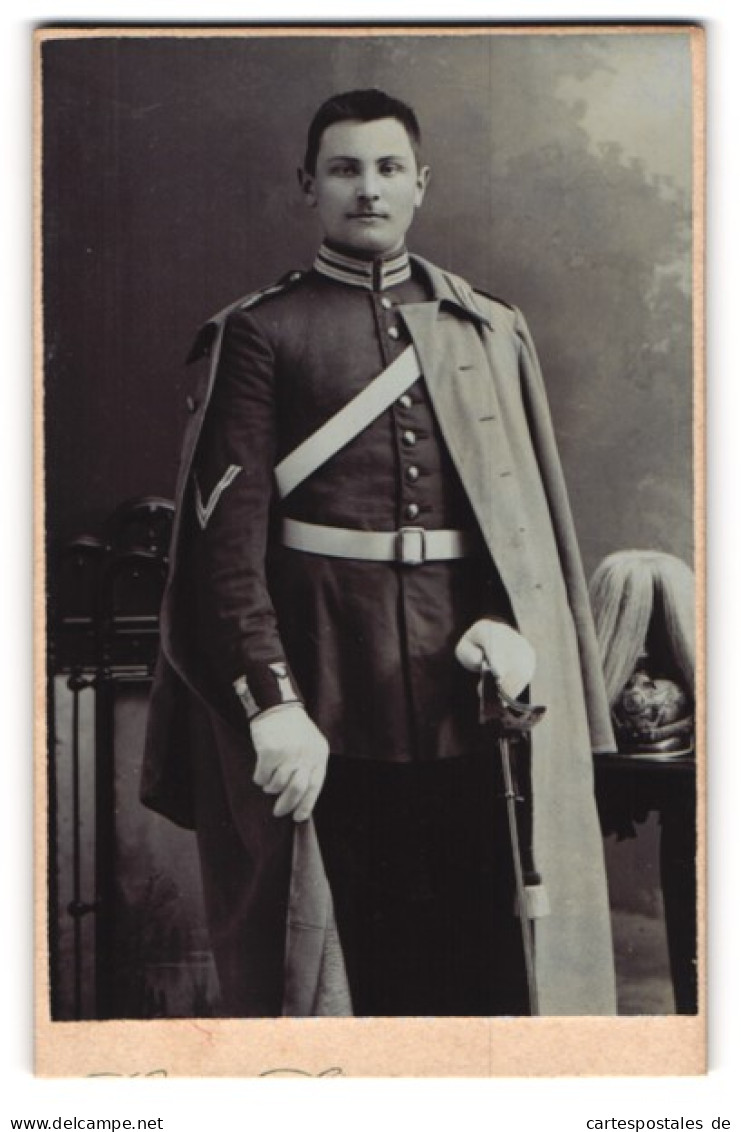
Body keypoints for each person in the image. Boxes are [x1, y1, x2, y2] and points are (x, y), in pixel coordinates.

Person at [141, 88, 617, 1018]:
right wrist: (271, 706)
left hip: (464, 703)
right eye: (345, 169)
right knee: (345, 969)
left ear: (419, 185)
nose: (368, 189)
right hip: (328, 694)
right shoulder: (260, 333)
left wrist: (509, 625)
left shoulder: (484, 326)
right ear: (307, 186)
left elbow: (518, 520)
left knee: (479, 968)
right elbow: (221, 554)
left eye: (388, 169)